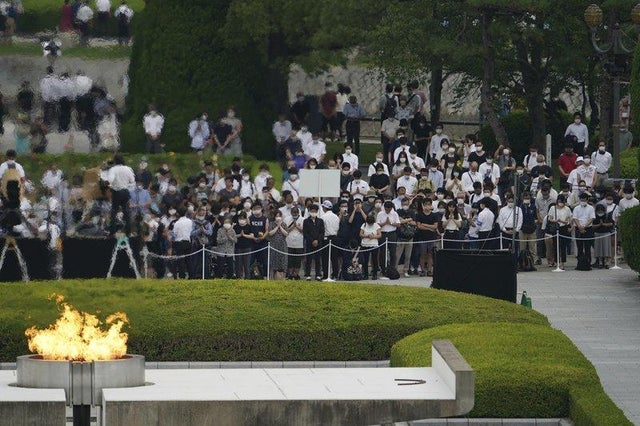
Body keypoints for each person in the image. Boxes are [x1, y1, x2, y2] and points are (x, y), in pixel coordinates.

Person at [106, 154, 135, 236]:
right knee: (126, 212)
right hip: (125, 191)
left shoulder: (113, 169)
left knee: (114, 212)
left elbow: (110, 180)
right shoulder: (128, 169)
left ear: (114, 161)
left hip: (117, 192)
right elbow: (132, 180)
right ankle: (128, 232)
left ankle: (112, 232)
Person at [415, 198, 440, 277]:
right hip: (422, 237)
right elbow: (419, 226)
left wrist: (425, 225)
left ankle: (429, 270)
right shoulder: (419, 214)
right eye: (425, 204)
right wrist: (429, 228)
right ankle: (422, 270)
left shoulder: (434, 215)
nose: (427, 206)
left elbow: (435, 226)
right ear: (423, 205)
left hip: (431, 237)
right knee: (422, 254)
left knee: (430, 254)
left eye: (429, 204)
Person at [573, 192, 595, 269]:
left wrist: (584, 226)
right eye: (581, 200)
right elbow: (575, 218)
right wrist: (579, 226)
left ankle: (588, 263)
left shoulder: (591, 208)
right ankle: (579, 264)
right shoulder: (576, 208)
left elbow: (591, 218)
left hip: (588, 229)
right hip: (578, 228)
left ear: (587, 200)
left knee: (587, 247)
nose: (583, 201)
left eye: (584, 200)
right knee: (579, 247)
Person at [169, 208, 193, 279]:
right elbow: (190, 230)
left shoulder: (177, 223)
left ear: (178, 214)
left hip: (179, 243)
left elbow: (174, 235)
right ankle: (191, 276)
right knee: (189, 260)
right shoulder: (190, 221)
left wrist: (170, 234)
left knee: (181, 260)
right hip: (188, 242)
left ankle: (182, 276)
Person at [377, 201, 399, 272]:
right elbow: (377, 225)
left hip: (392, 233)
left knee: (393, 252)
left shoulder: (395, 213)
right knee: (383, 252)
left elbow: (398, 224)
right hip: (383, 234)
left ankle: (392, 268)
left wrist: (391, 223)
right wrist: (384, 223)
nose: (388, 211)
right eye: (386, 209)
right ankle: (383, 268)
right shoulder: (380, 214)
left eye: (389, 209)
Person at [303, 204, 324, 280]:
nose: (313, 212)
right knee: (308, 259)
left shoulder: (320, 221)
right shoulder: (306, 221)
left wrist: (317, 240)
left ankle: (318, 274)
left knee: (318, 259)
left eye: (315, 211)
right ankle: (307, 274)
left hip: (318, 243)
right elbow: (305, 233)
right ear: (309, 211)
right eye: (312, 211)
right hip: (309, 243)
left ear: (317, 212)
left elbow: (322, 232)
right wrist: (312, 240)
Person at [320, 200, 340, 280]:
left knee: (325, 258)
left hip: (326, 238)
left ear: (325, 208)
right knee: (334, 258)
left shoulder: (323, 217)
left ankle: (325, 275)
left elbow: (322, 229)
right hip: (335, 237)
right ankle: (335, 275)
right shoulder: (336, 217)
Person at [359, 214, 381, 280]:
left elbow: (379, 235)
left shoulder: (376, 225)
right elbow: (360, 234)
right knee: (365, 260)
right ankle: (365, 274)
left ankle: (374, 274)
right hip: (365, 245)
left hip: (374, 245)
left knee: (374, 260)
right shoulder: (364, 225)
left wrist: (373, 236)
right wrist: (367, 236)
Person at [267, 211, 288, 279]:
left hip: (282, 245)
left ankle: (283, 278)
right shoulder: (271, 224)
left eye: (279, 216)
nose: (278, 217)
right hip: (273, 245)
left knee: (283, 261)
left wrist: (280, 226)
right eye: (277, 216)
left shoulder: (284, 224)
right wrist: (277, 226)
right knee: (273, 261)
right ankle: (272, 277)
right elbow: (270, 233)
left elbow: (286, 234)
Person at [592, 203, 613, 269]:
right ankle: (600, 262)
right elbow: (592, 226)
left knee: (606, 248)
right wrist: (599, 225)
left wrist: (603, 224)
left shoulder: (607, 215)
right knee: (599, 249)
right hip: (597, 233)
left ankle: (607, 262)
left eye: (601, 210)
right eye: (598, 210)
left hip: (606, 233)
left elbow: (611, 223)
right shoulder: (594, 216)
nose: (600, 211)